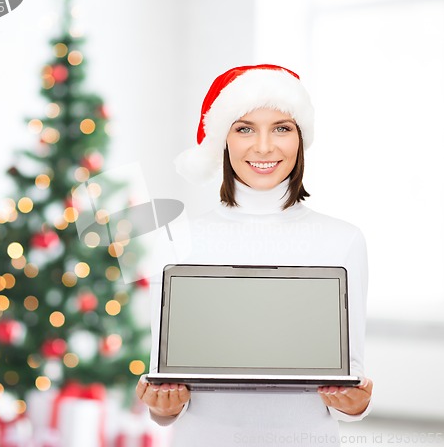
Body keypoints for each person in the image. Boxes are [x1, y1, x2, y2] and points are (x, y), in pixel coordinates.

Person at [136, 64, 373, 446]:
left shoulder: (343, 239)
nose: (264, 146)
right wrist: (163, 407)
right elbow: (165, 382)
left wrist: (356, 404)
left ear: (300, 138)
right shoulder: (179, 240)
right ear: (222, 141)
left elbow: (351, 381)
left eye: (282, 128)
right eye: (244, 128)